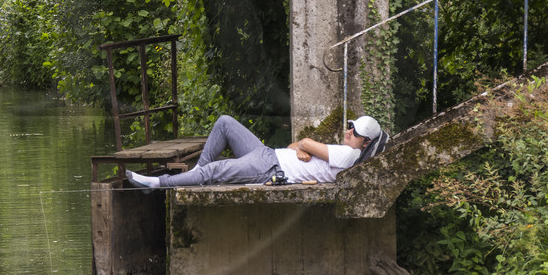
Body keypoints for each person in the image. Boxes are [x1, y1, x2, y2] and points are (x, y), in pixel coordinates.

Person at [125, 114, 386, 189]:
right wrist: (302, 148)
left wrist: (304, 148)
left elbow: (304, 144)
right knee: (225, 122)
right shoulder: (343, 150)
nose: (349, 132)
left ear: (365, 144)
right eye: (350, 127)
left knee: (216, 171)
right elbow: (298, 146)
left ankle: (158, 183)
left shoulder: (348, 156)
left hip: (271, 168)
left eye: (356, 133)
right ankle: (195, 172)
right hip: (269, 154)